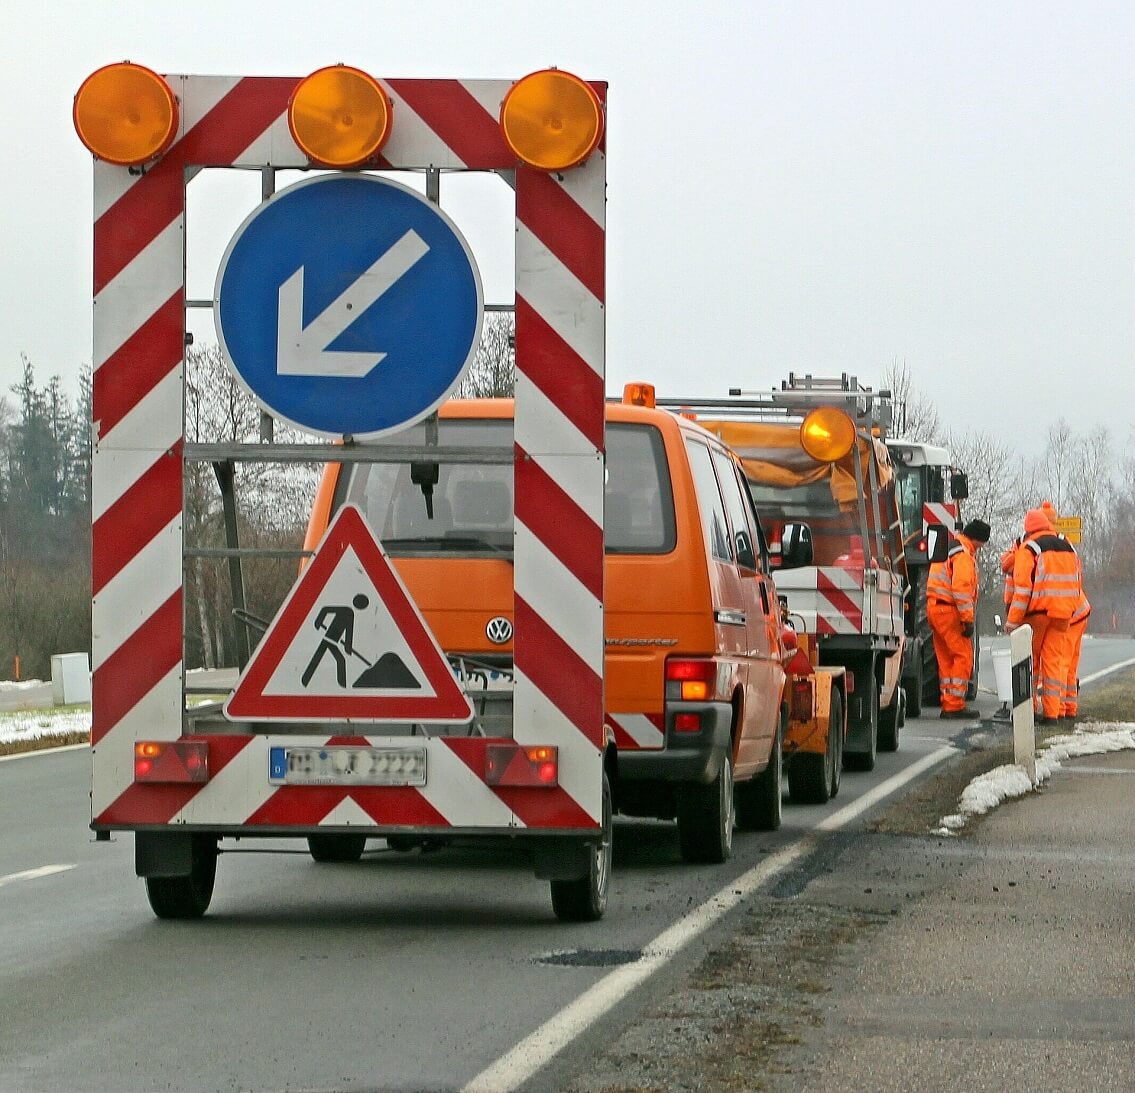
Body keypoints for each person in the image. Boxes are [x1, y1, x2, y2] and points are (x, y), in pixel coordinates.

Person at [1005, 508, 1081, 723]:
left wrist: (1012, 622)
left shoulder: (1029, 549)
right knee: (1054, 663)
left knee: (1031, 662)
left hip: (1037, 614)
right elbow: (1077, 581)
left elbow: (1022, 590)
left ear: (1028, 529)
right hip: (1064, 614)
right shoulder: (1068, 546)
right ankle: (1052, 714)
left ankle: (1028, 711)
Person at [928, 518, 990, 718]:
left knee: (946, 658)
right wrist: (967, 619)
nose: (980, 549)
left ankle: (948, 702)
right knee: (963, 657)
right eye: (982, 544)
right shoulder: (963, 554)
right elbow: (961, 589)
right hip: (949, 610)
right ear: (978, 539)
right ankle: (954, 705)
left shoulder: (950, 548)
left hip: (934, 608)